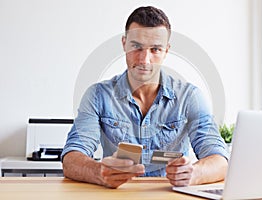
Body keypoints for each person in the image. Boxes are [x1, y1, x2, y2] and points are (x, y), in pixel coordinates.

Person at [61, 6, 229, 189]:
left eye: (155, 49)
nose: (144, 60)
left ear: (166, 50)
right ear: (124, 43)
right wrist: (98, 172)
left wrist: (194, 174)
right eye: (136, 47)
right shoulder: (97, 96)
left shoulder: (190, 97)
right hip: (117, 194)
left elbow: (221, 161)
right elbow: (71, 158)